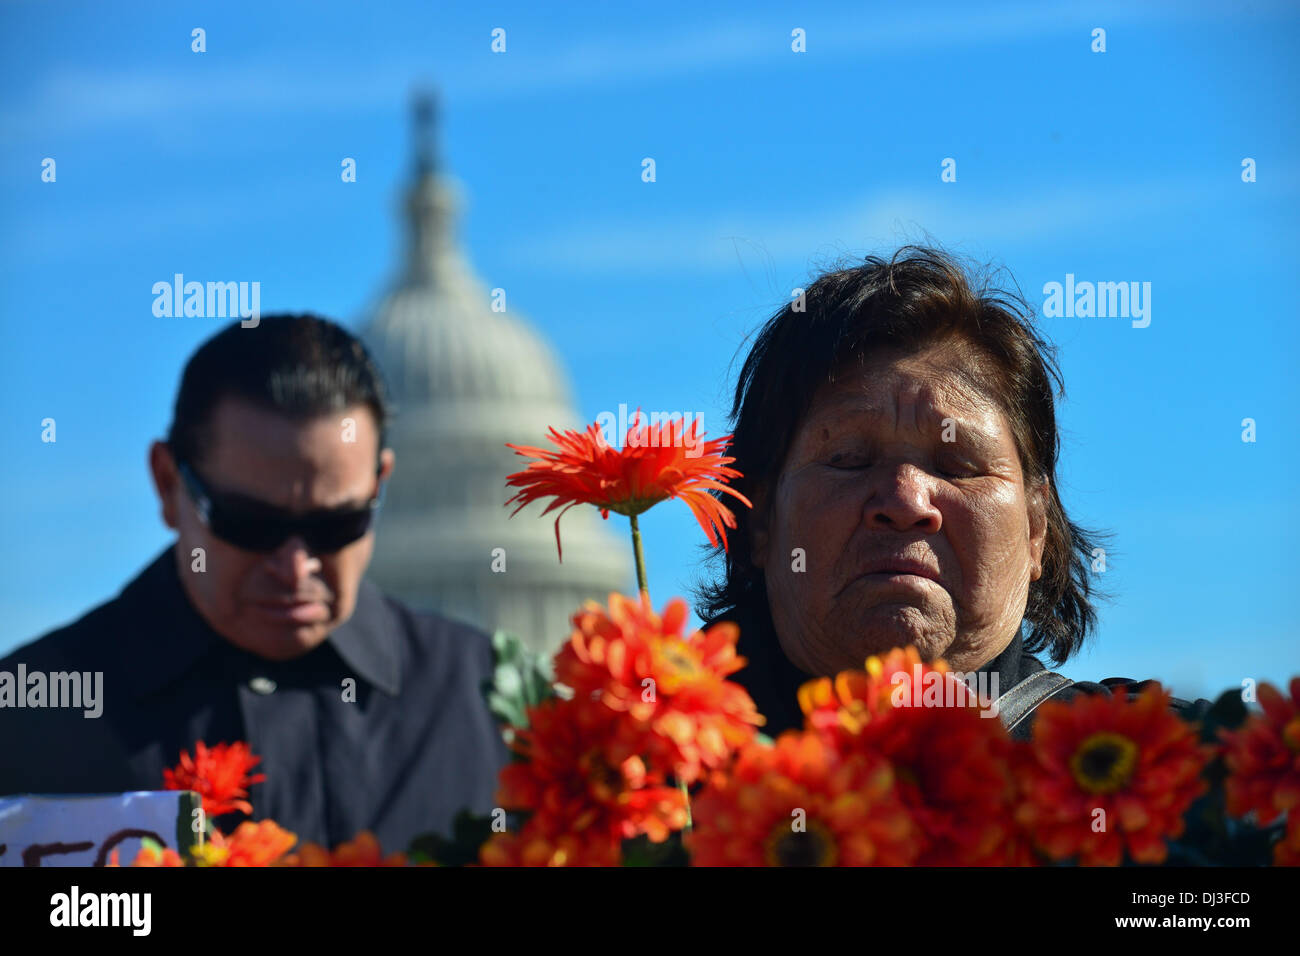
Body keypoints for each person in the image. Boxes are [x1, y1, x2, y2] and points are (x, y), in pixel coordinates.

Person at [0, 315, 508, 853]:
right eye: (250, 524)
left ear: (380, 484)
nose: (295, 568)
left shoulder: (488, 705)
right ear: (169, 485)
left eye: (335, 525)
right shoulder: (31, 714)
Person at [698, 246, 1210, 738]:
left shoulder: (1193, 764)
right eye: (848, 460)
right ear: (760, 516)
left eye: (958, 466)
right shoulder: (634, 762)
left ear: (1037, 527)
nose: (905, 502)